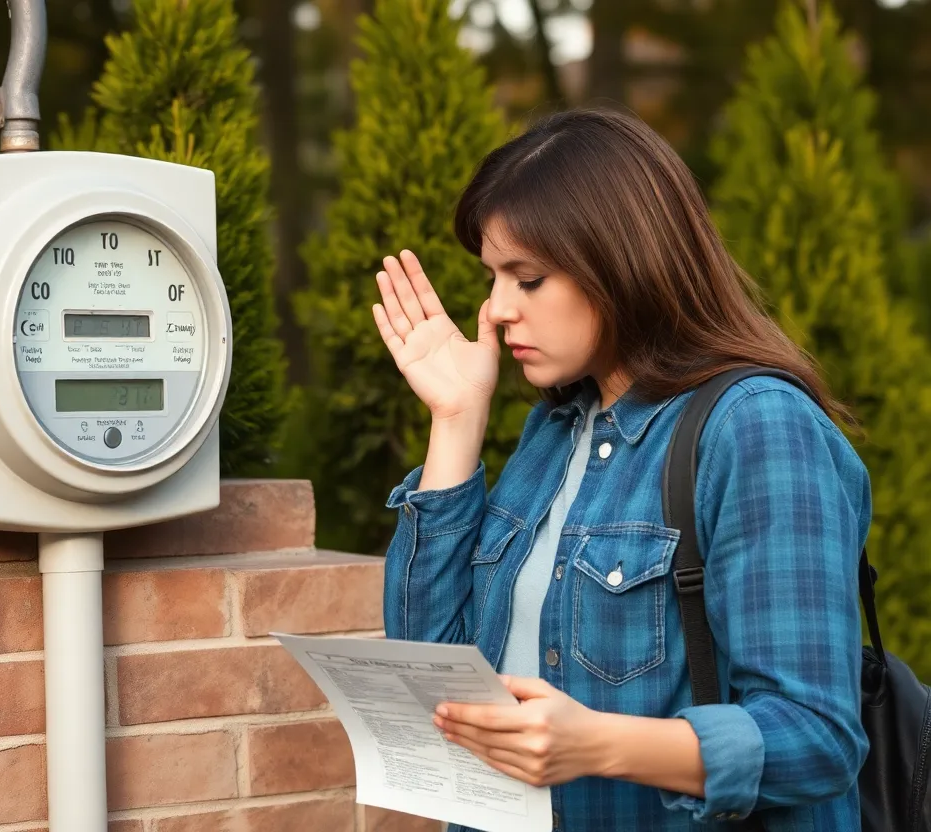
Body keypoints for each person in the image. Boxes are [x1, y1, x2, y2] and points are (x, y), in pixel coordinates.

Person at [373, 108, 870, 831]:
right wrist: (454, 420)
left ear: (620, 261)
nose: (497, 308)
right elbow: (435, 669)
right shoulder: (555, 430)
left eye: (529, 278)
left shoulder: (756, 426)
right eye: (492, 277)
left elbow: (817, 736)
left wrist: (598, 745)